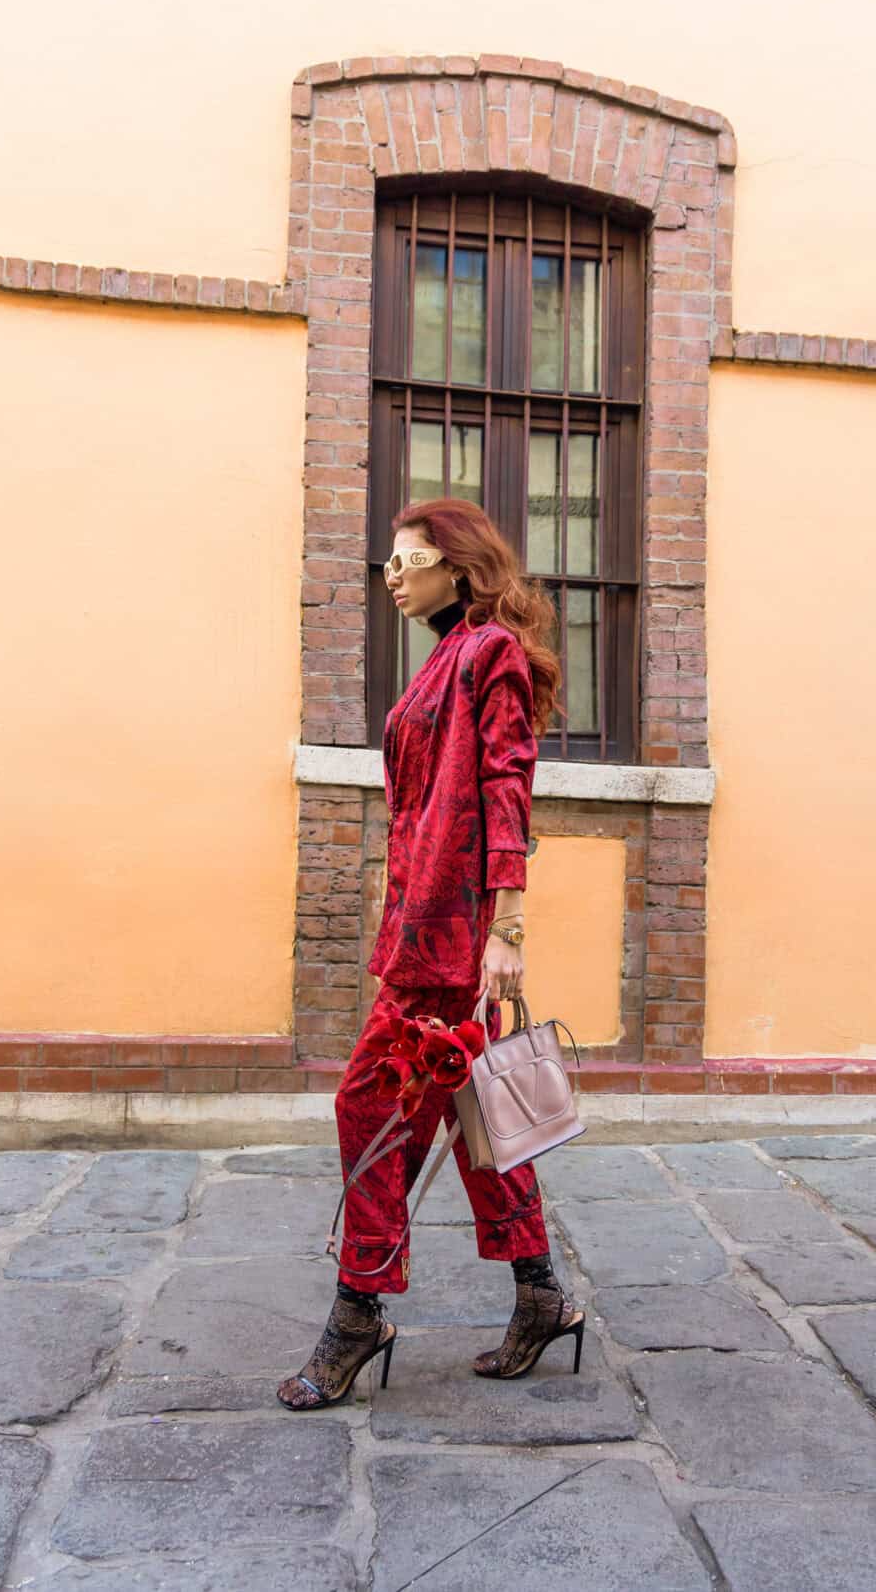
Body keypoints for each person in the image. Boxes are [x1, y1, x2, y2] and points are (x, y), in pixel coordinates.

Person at [277, 497, 586, 1410]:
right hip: (421, 924)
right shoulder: (445, 657)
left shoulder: (487, 653)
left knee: (368, 1106)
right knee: (474, 1108)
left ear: (460, 566)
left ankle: (357, 1310)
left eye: (406, 560)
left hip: (449, 938)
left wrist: (507, 926)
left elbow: (507, 785)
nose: (392, 576)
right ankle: (540, 1296)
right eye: (387, 564)